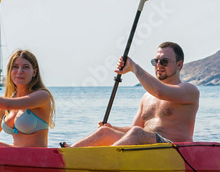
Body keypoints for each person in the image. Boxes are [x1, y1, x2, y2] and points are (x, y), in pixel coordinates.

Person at [69, 41, 199, 147]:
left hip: (175, 149)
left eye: (164, 61)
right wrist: (113, 128)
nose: (158, 65)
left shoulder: (189, 90)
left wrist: (134, 67)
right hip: (147, 147)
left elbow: (160, 92)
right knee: (105, 131)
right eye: (155, 61)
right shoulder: (147, 97)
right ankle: (67, 154)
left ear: (179, 65)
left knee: (137, 133)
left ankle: (103, 160)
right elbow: (134, 129)